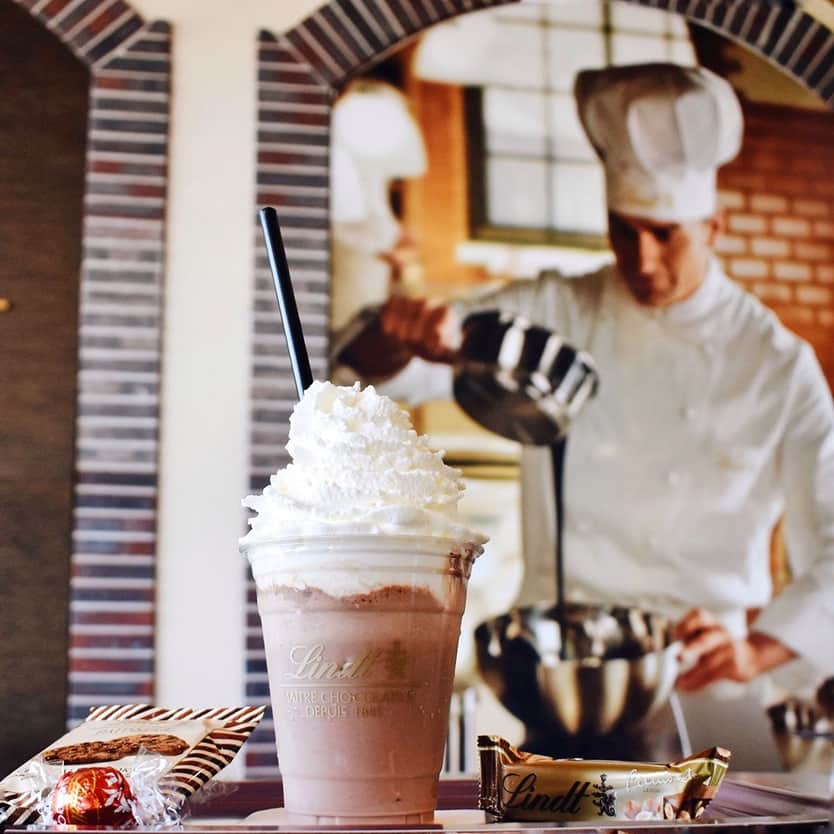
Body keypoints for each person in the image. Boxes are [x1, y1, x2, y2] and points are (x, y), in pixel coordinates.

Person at [338, 63, 834, 766]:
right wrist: (403, 332)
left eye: (665, 233)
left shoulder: (778, 364)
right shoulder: (559, 307)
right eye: (624, 232)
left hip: (701, 673)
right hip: (557, 675)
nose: (642, 259)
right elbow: (373, 372)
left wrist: (757, 649)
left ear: (714, 227)